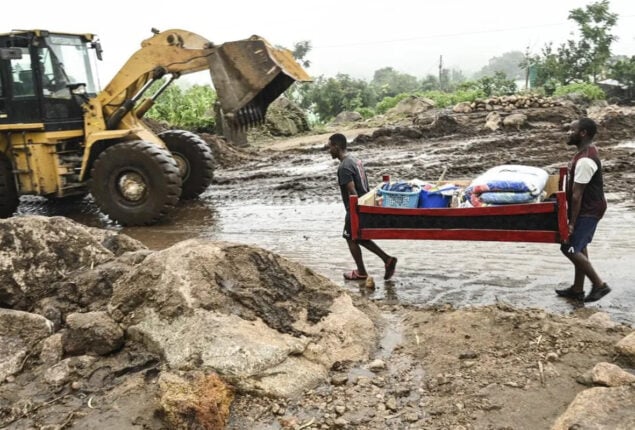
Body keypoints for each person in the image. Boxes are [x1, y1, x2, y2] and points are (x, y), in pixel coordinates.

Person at [326, 133, 397, 281]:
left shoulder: (344, 167)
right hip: (365, 203)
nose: (329, 150)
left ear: (337, 147)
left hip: (356, 208)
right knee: (357, 237)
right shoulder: (355, 160)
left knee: (350, 238)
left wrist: (355, 213)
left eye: (330, 147)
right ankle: (387, 259)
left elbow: (353, 192)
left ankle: (362, 271)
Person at [555, 118, 611, 302]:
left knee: (568, 247)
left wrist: (570, 223)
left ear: (583, 133)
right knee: (579, 247)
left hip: (589, 210)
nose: (568, 133)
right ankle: (577, 289)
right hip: (588, 207)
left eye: (572, 129)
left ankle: (599, 285)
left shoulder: (585, 160)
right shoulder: (583, 153)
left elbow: (577, 195)